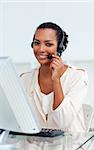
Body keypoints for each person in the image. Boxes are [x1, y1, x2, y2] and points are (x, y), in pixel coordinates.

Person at [20, 22, 88, 133]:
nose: (41, 49)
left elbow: (62, 121)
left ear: (60, 47)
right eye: (37, 43)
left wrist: (56, 79)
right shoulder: (25, 79)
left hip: (70, 145)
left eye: (48, 44)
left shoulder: (78, 76)